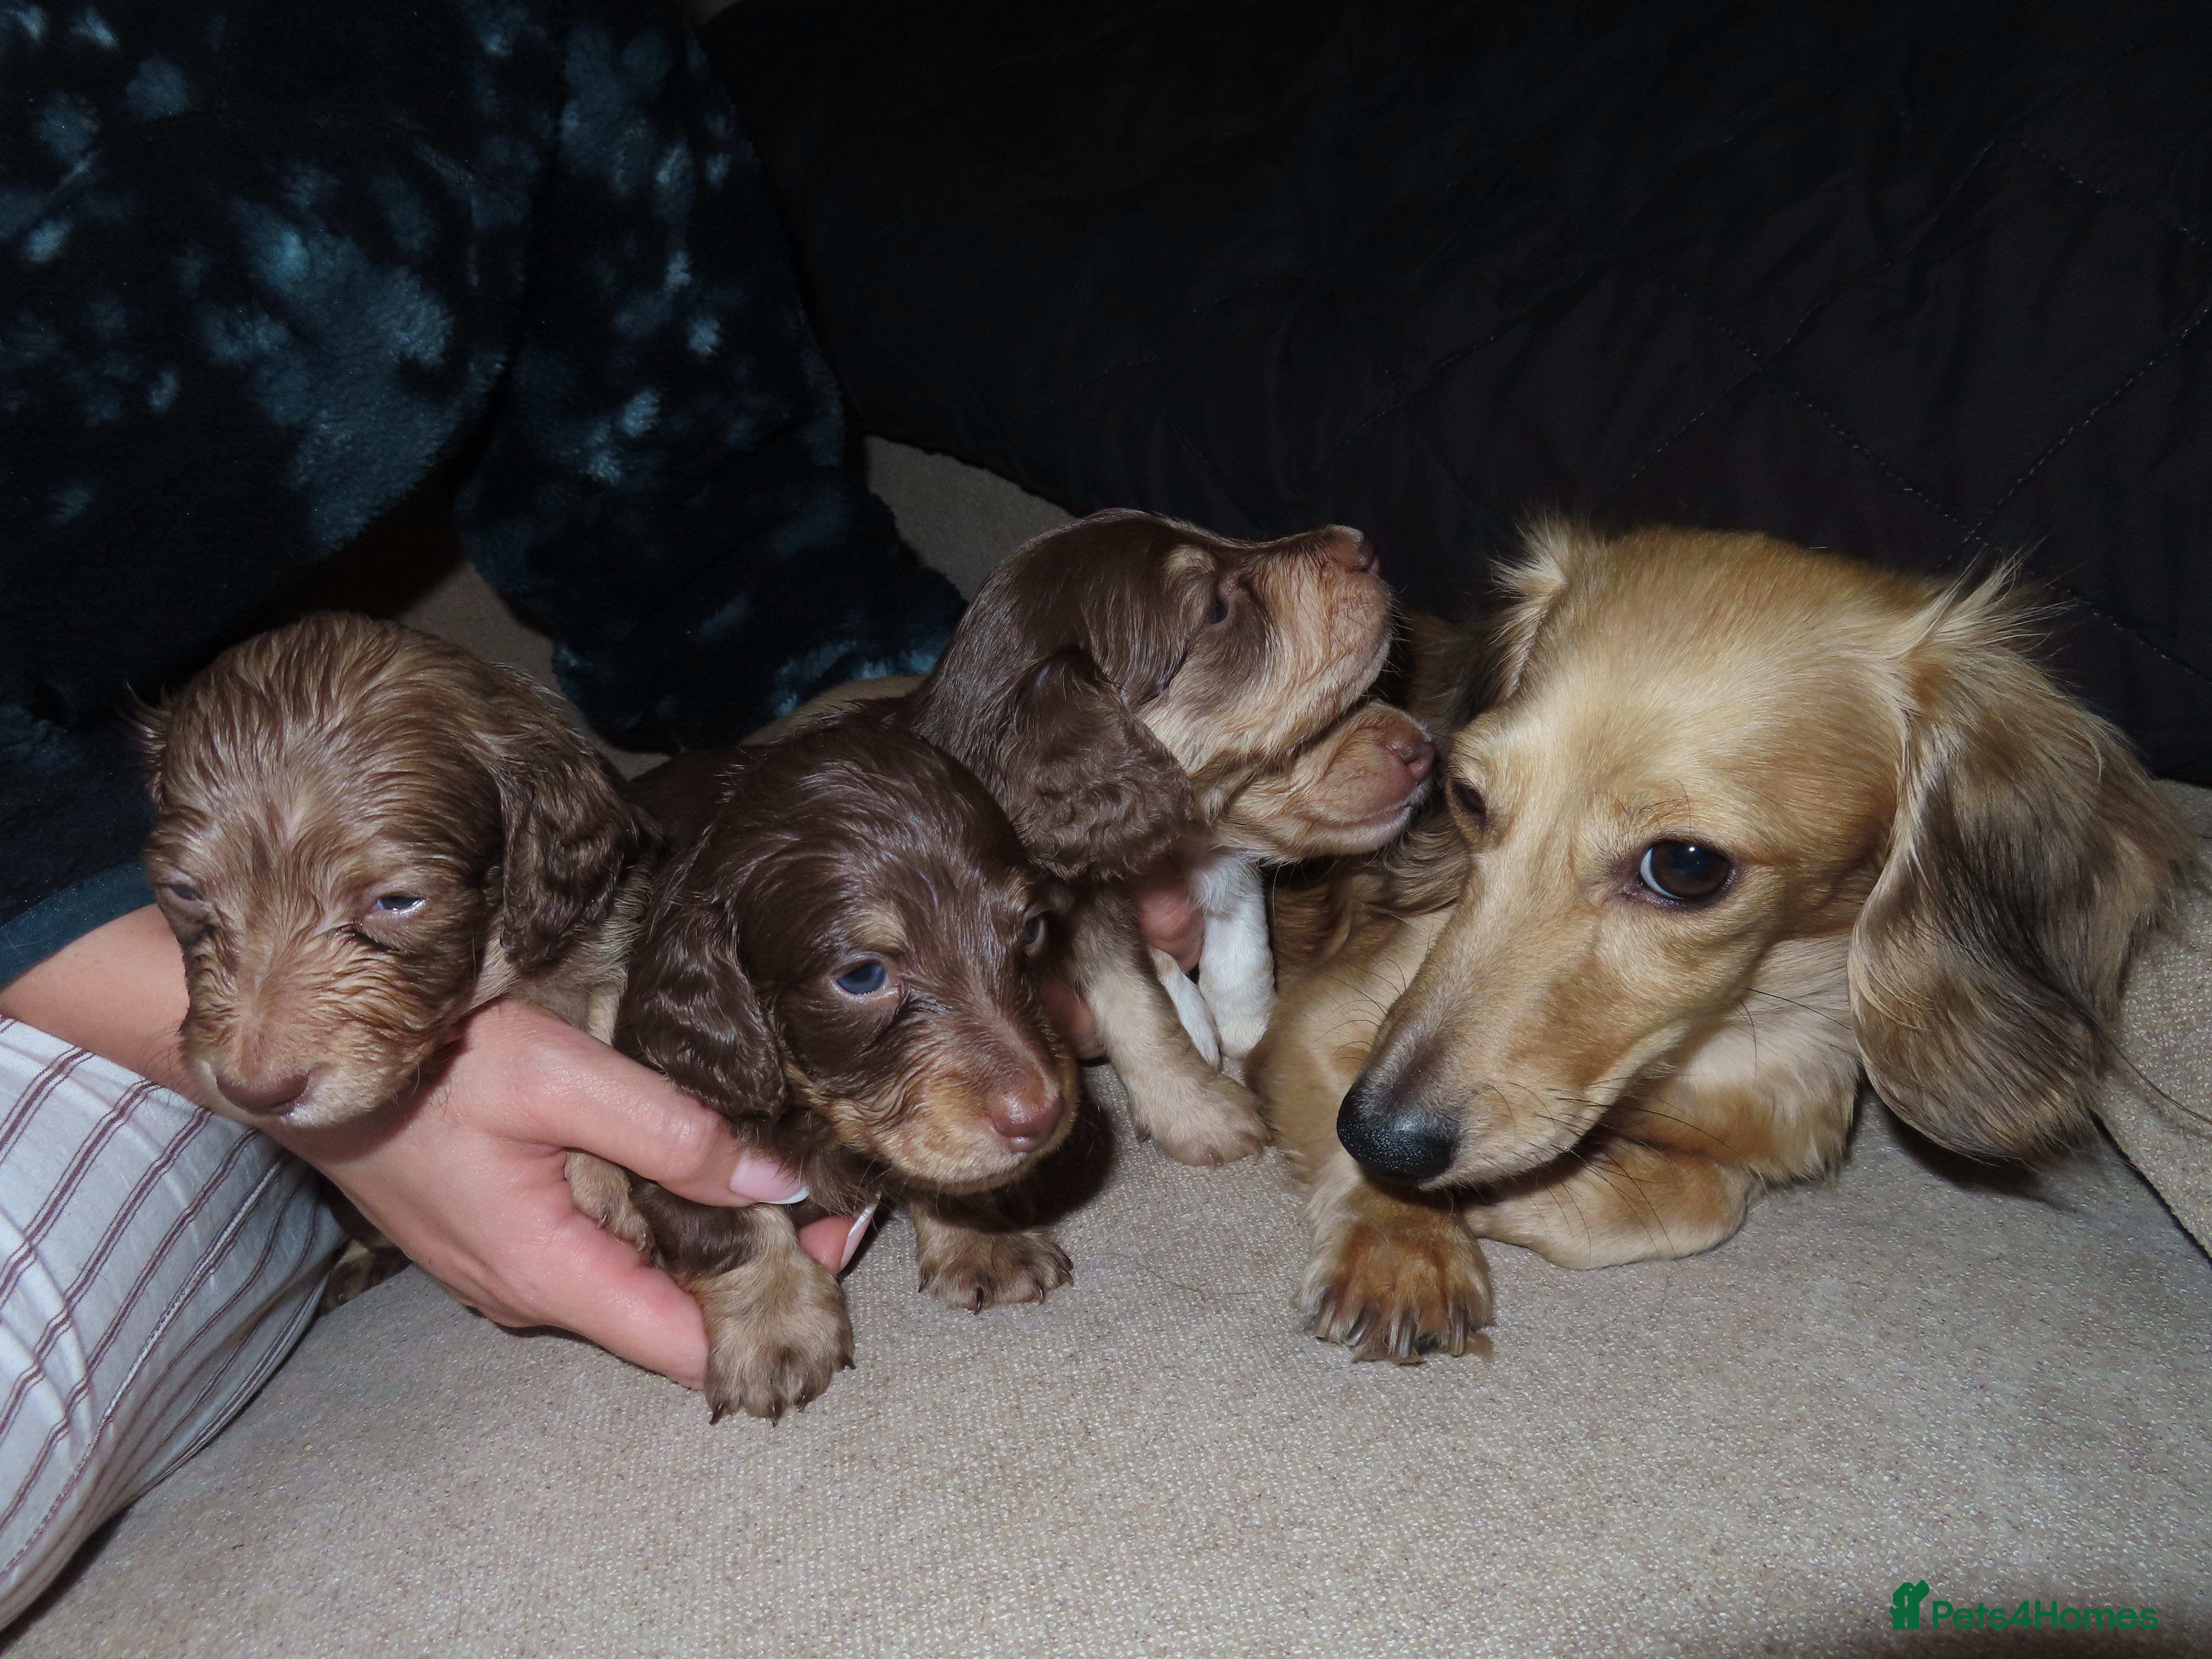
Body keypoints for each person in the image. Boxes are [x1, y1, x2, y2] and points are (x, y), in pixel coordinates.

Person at [0, 0, 1199, 1624]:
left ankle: (261, 1235)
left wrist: (945, 755)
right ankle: (275, 1229)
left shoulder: (527, 43)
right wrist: (275, 1053)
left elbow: (707, 518)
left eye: (395, 910)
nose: (265, 1039)